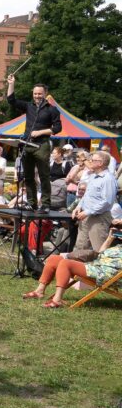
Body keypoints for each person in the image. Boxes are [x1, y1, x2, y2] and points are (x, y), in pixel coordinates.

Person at [7, 74, 62, 212]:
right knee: (28, 176)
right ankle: (31, 203)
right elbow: (11, 100)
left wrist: (41, 132)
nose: (37, 96)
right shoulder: (28, 106)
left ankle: (46, 204)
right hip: (27, 144)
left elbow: (58, 128)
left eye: (40, 94)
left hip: (42, 144)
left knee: (44, 175)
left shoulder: (52, 110)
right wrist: (11, 84)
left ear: (45, 94)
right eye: (35, 93)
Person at [23, 233, 122, 308]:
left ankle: (57, 299)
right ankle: (39, 291)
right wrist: (110, 238)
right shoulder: (118, 247)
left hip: (106, 275)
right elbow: (99, 254)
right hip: (96, 267)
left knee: (66, 263)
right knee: (54, 259)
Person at [72, 151, 116, 253]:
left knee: (99, 249)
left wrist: (87, 212)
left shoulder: (108, 179)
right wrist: (78, 207)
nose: (89, 162)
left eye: (92, 160)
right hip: (85, 216)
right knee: (80, 248)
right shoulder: (93, 176)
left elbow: (107, 201)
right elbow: (86, 196)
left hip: (99, 218)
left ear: (100, 163)